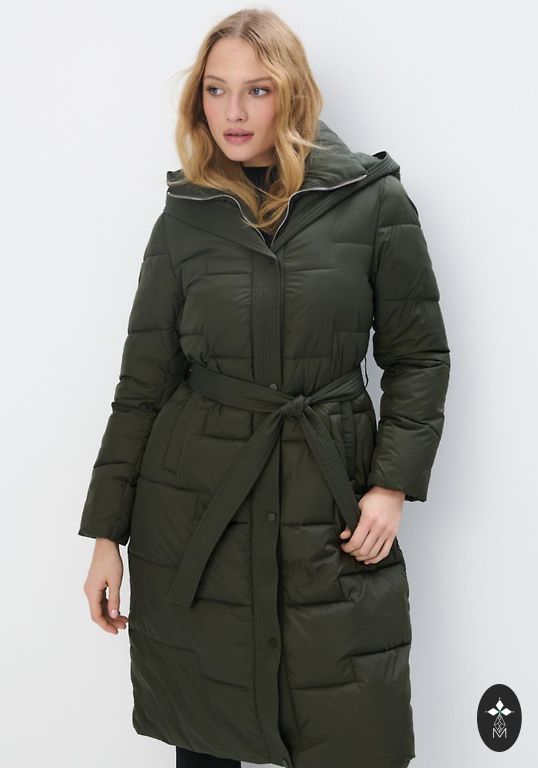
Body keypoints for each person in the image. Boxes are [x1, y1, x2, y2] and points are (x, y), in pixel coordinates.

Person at [78, 8, 450, 768]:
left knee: (347, 726)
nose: (234, 112)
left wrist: (390, 486)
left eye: (256, 89)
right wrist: (105, 536)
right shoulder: (185, 217)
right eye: (216, 90)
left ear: (292, 93)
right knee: (205, 731)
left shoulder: (376, 202)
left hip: (329, 505)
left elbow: (419, 357)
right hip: (196, 511)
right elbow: (142, 386)